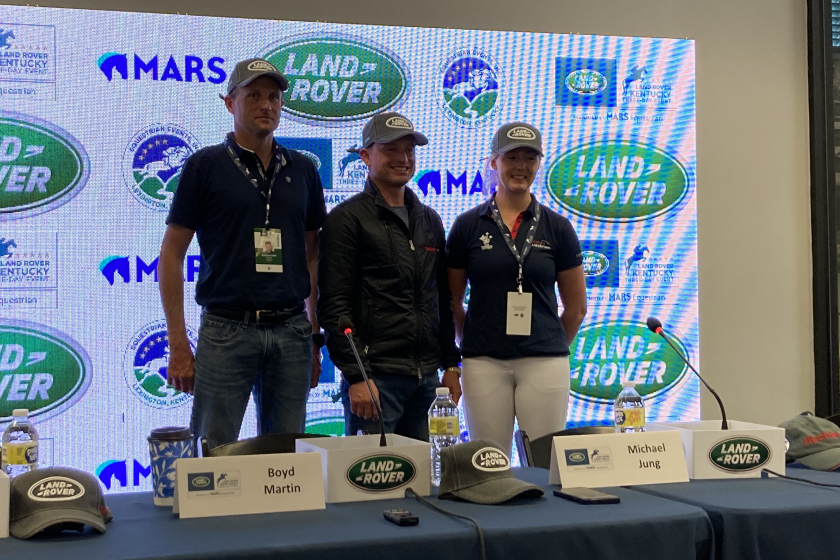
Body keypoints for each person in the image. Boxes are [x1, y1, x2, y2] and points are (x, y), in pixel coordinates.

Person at [158, 58, 326, 449]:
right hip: (226, 330)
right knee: (213, 456)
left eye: (273, 97)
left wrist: (314, 335)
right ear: (229, 102)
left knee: (287, 460)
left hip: (291, 331)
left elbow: (313, 255)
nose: (266, 105)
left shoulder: (302, 169)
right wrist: (178, 343)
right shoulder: (205, 166)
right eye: (253, 95)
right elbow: (170, 255)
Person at [318, 111, 461, 440]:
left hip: (427, 382)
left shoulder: (429, 220)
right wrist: (357, 377)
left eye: (409, 150)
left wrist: (451, 365)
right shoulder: (346, 219)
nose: (403, 158)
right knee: (372, 485)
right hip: (376, 381)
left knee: (427, 480)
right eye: (391, 150)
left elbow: (441, 300)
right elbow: (334, 307)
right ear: (366, 156)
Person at [446, 122, 587, 456]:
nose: (520, 166)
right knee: (488, 464)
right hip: (483, 362)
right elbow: (451, 302)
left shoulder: (558, 227)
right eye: (511, 157)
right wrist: (473, 339)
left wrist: (546, 342)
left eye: (529, 158)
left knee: (544, 465)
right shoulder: (467, 225)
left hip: (544, 363)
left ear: (539, 163)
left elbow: (577, 308)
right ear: (494, 162)